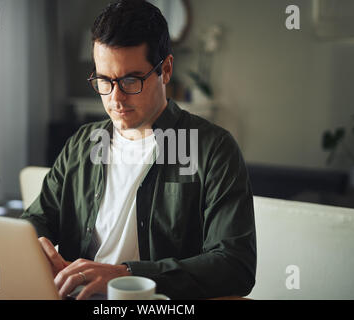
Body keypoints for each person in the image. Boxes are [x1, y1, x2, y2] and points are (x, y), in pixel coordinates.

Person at [21, 0, 256, 300]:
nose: (115, 99)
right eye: (104, 81)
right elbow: (37, 219)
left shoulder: (213, 150)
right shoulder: (82, 143)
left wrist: (127, 275)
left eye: (130, 80)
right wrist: (34, 245)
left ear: (166, 69)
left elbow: (236, 266)